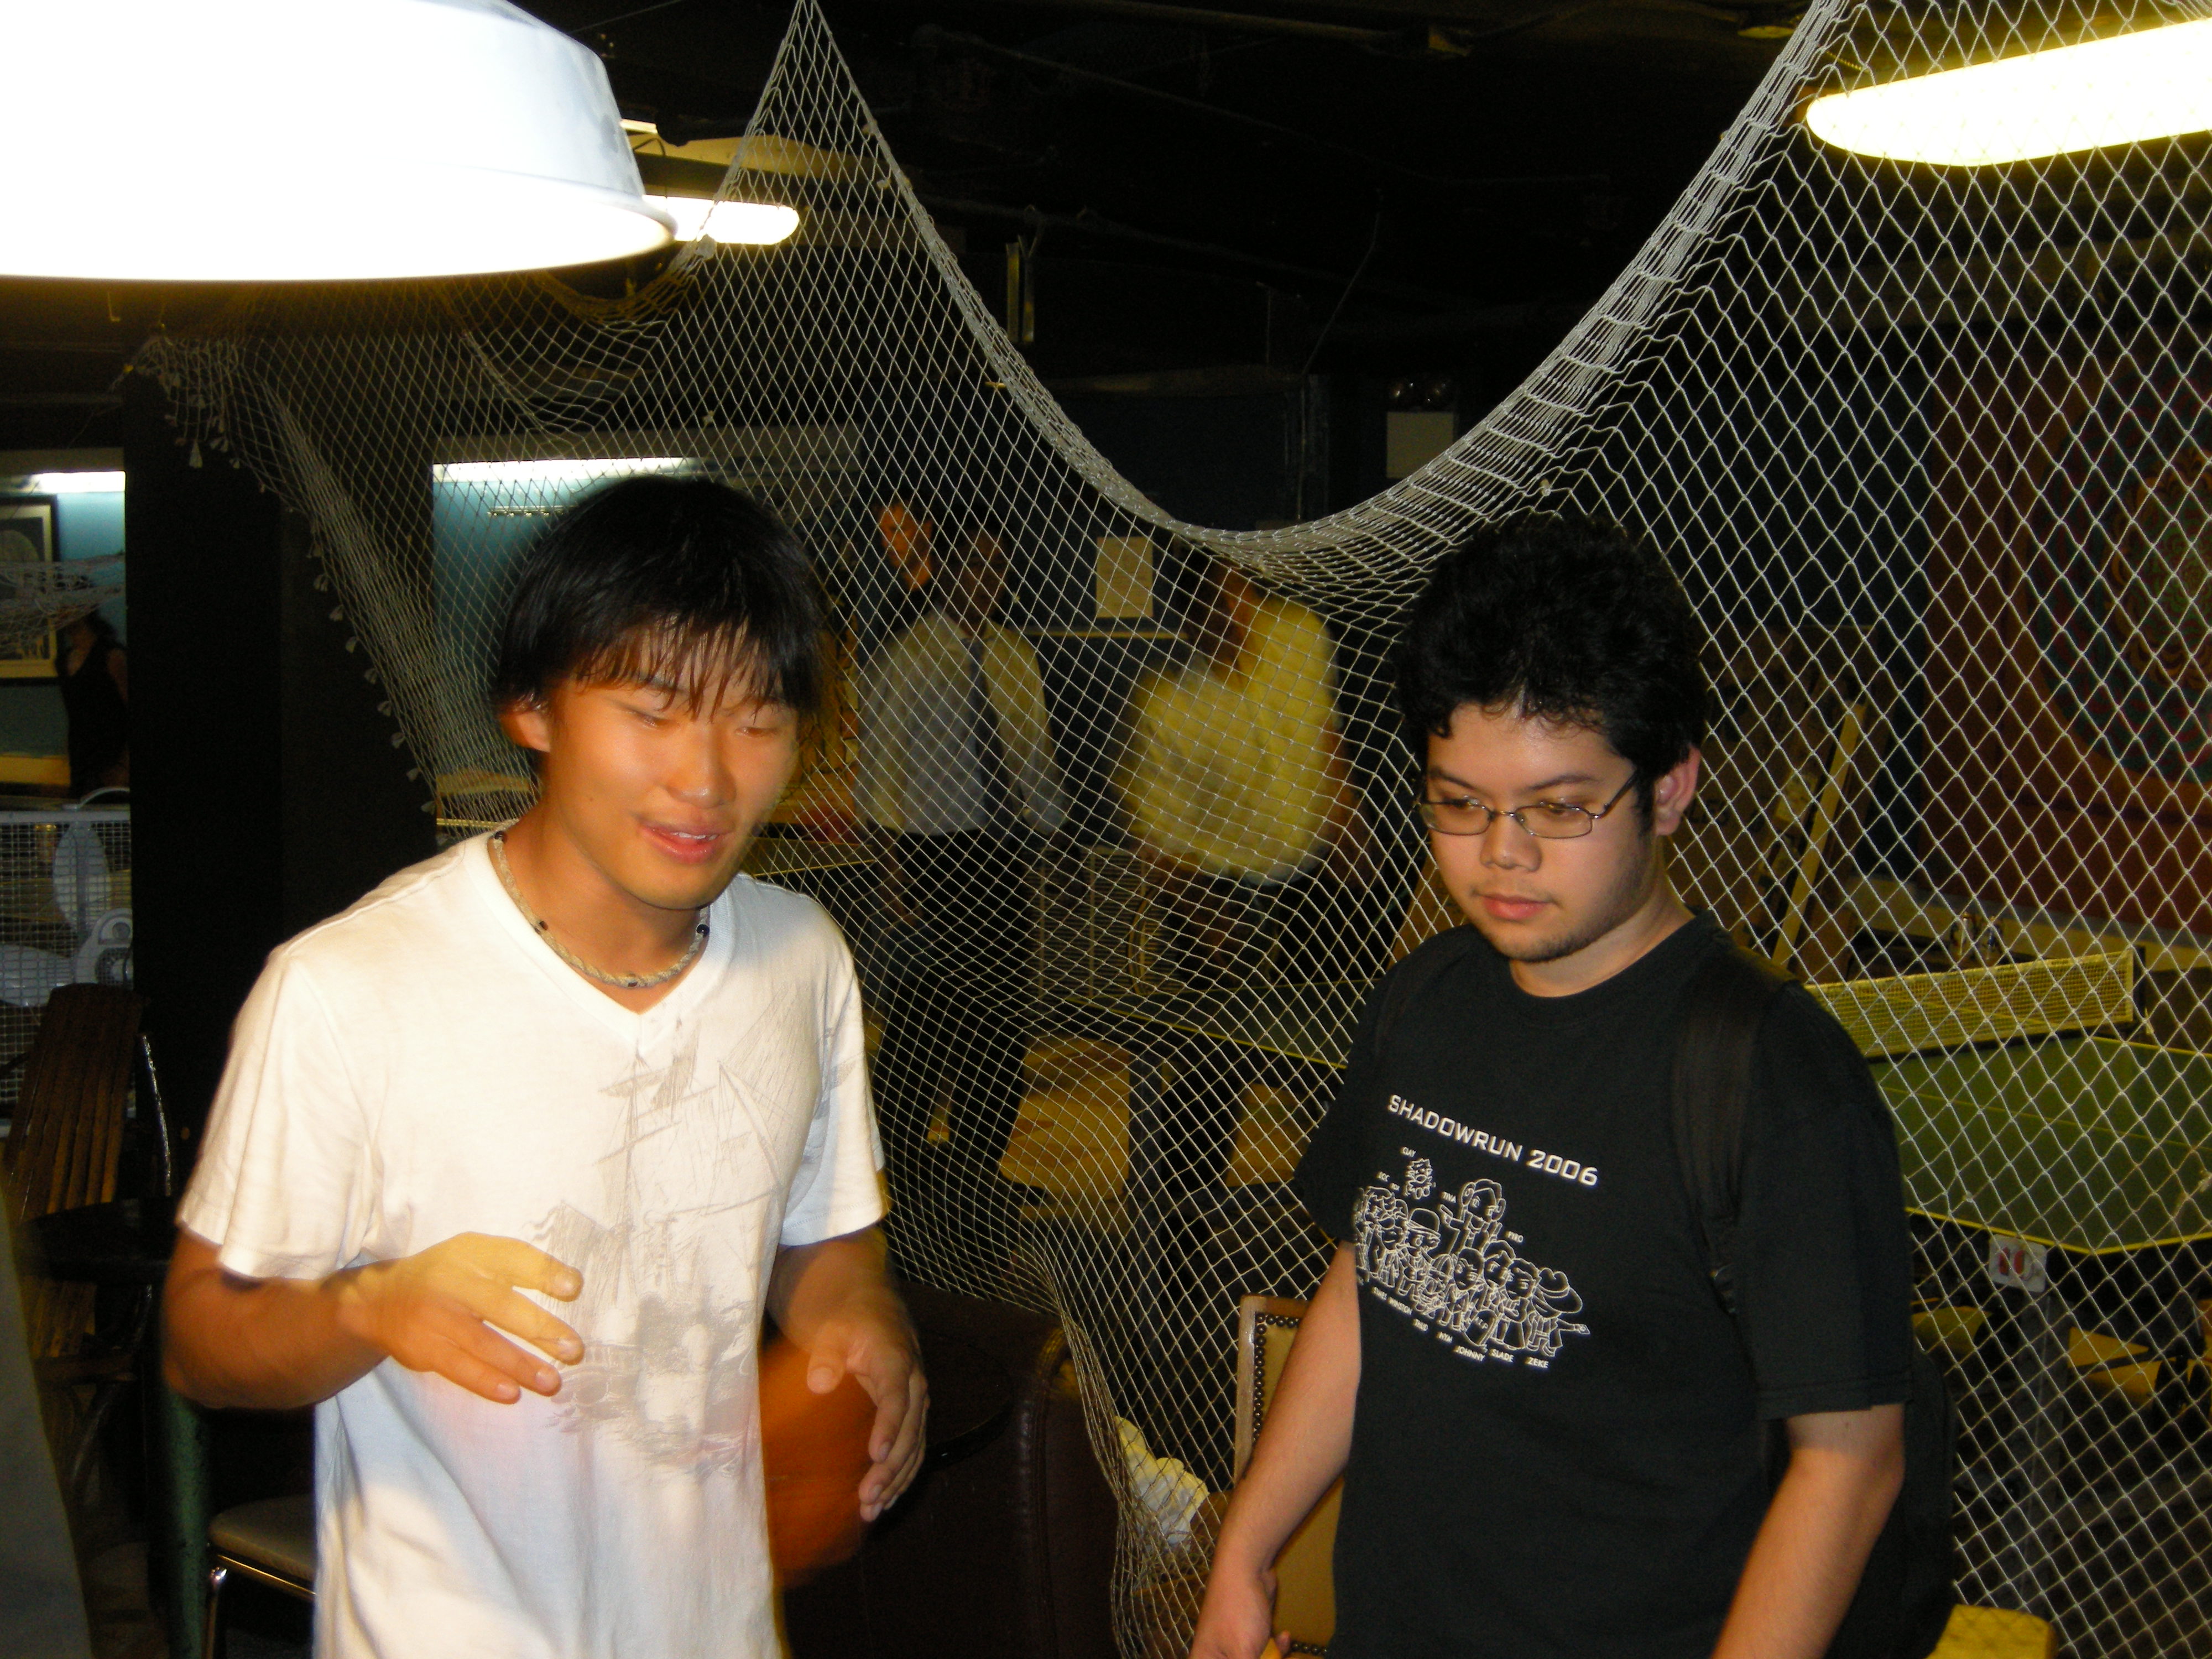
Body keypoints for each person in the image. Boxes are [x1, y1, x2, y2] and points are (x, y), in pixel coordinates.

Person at [163, 477, 926, 1659]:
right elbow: (200, 1334)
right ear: (530, 709)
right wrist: (371, 1308)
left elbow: (822, 1236)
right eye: (652, 712)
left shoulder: (801, 959)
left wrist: (862, 1325)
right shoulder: (349, 987)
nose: (706, 779)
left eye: (757, 720)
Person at [1191, 514, 1912, 1659]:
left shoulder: (1768, 1075)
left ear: (1668, 788)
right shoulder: (1424, 1000)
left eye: (1560, 807)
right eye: (1459, 803)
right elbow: (1373, 1281)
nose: (1503, 853)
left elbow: (1849, 1463)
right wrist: (1247, 1546)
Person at [1116, 557, 1361, 1225]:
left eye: (1239, 596)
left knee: (1331, 1064)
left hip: (1310, 888)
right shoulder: (1167, 702)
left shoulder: (1298, 637)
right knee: (1211, 1076)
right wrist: (1208, 923)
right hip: (1217, 901)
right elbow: (1159, 846)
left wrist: (1348, 821)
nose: (1235, 619)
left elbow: (1326, 737)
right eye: (1214, 609)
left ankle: (1339, 1216)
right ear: (1191, 622)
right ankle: (1176, 1233)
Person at [857, 523, 1067, 1232]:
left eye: (997, 564)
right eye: (974, 563)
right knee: (929, 1016)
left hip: (1003, 849)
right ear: (942, 570)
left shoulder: (1013, 654)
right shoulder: (909, 657)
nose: (988, 579)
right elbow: (880, 774)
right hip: (933, 852)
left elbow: (1034, 756)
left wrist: (1048, 838)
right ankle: (899, 1165)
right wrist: (894, 876)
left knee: (1001, 1019)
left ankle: (981, 1167)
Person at [56, 611, 126, 795]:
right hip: (81, 758)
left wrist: (124, 765)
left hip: (112, 757)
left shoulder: (111, 655)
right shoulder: (63, 661)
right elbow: (77, 715)